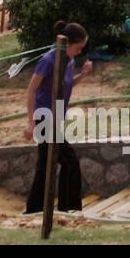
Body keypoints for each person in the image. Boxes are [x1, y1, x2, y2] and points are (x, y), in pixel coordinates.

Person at [23, 22, 93, 214]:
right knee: (70, 162)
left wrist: (83, 74)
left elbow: (67, 84)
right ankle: (68, 209)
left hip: (56, 121)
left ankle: (34, 209)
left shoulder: (69, 61)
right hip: (44, 120)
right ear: (68, 43)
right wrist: (31, 124)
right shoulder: (48, 60)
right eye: (78, 48)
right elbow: (30, 92)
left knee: (46, 166)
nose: (79, 52)